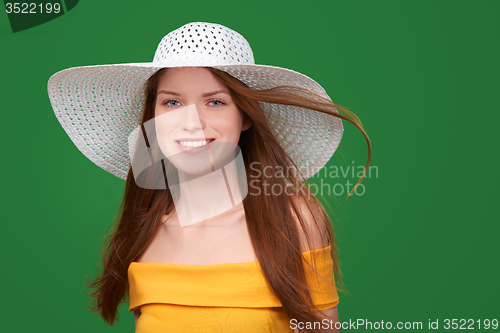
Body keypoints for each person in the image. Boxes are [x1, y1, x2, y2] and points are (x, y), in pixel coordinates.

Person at [48, 22, 371, 333]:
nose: (191, 123)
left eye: (215, 102)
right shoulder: (144, 233)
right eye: (172, 102)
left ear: (245, 116)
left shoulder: (293, 221)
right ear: (153, 116)